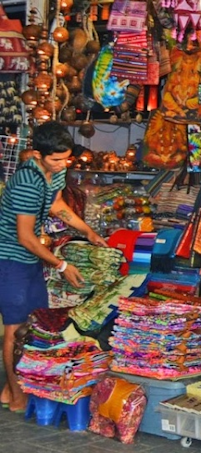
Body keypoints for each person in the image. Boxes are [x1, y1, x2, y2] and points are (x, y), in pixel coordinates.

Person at [0, 122, 109, 412]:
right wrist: (61, 265)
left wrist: (88, 231)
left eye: (66, 158)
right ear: (38, 155)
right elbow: (25, 237)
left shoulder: (53, 174)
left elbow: (58, 205)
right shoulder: (27, 181)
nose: (63, 165)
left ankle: (13, 388)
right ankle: (15, 394)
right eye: (56, 160)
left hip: (30, 259)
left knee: (32, 324)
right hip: (10, 259)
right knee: (15, 327)